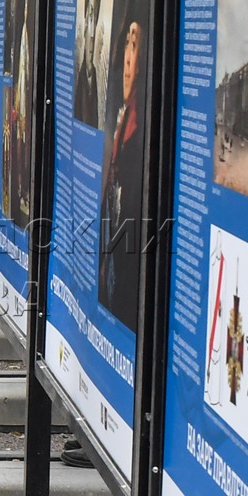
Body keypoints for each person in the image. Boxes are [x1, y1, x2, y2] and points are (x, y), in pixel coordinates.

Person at [95, 16, 147, 332]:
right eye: (127, 43)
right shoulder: (122, 121)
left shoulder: (140, 132)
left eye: (136, 44)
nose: (128, 57)